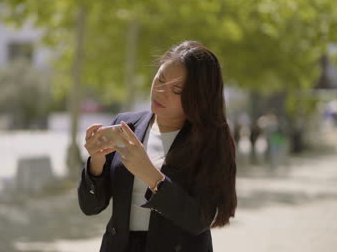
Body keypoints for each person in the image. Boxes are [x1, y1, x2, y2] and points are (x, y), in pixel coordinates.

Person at [78, 41, 237, 252]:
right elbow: (90, 207)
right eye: (160, 78)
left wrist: (151, 176)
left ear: (198, 97)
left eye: (176, 89)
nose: (161, 91)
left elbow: (200, 220)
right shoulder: (127, 126)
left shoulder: (210, 140)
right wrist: (96, 162)